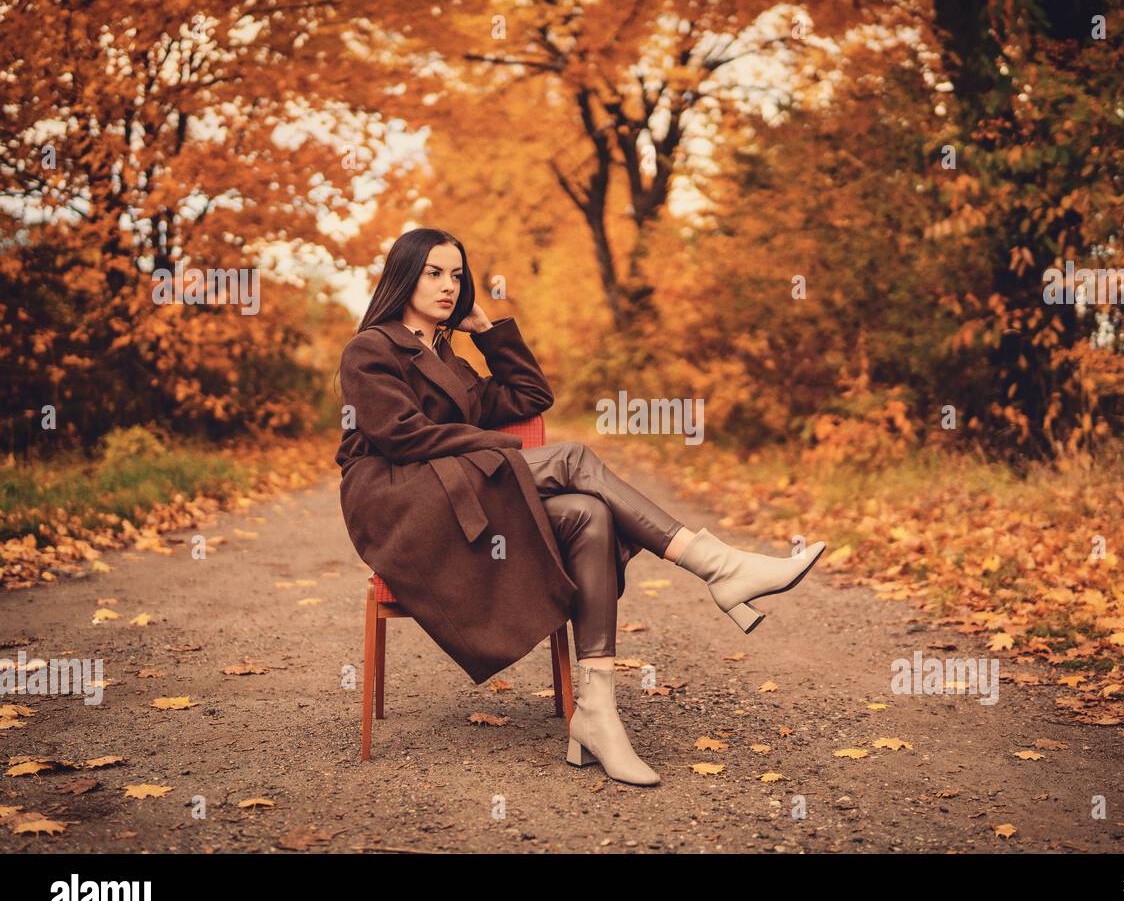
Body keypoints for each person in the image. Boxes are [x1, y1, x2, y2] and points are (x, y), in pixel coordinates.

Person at [335, 227, 825, 787]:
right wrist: (504, 449)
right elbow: (400, 436)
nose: (451, 286)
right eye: (435, 273)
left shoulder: (455, 364)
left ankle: (596, 715)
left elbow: (530, 396)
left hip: (458, 489)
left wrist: (489, 331)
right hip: (401, 504)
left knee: (590, 515)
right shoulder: (371, 348)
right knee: (570, 459)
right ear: (404, 275)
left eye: (457, 274)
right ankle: (720, 567)